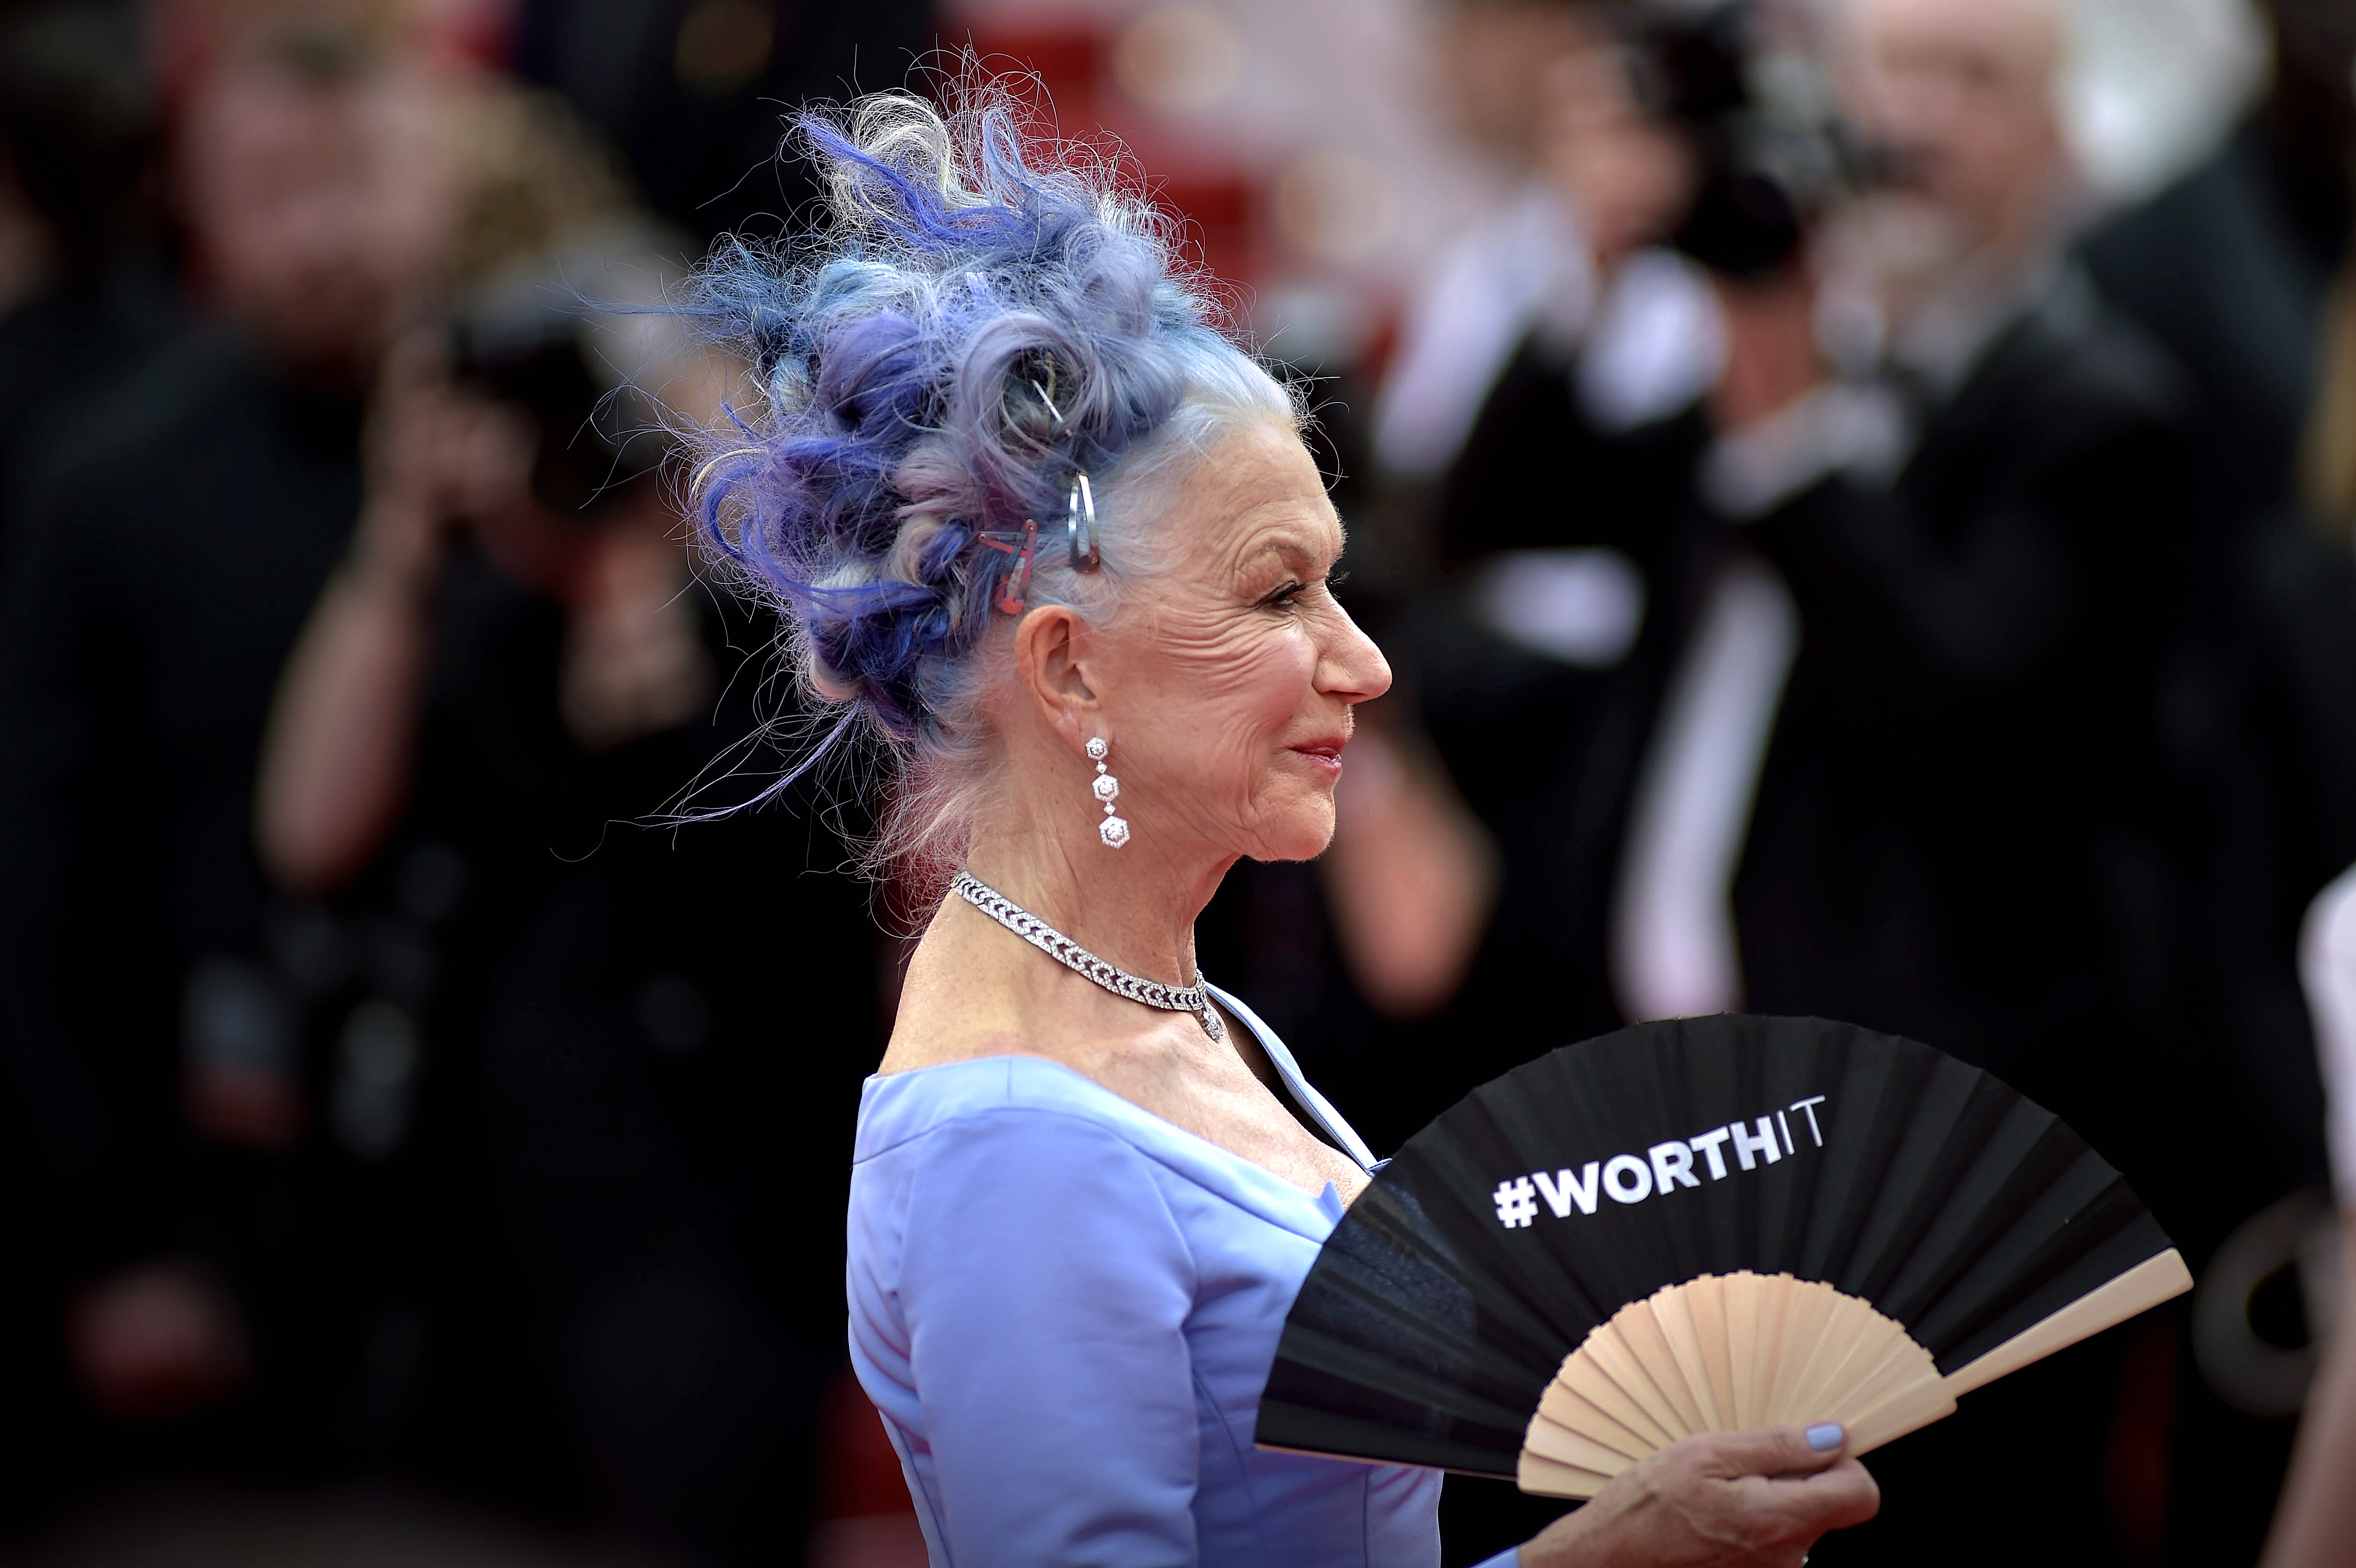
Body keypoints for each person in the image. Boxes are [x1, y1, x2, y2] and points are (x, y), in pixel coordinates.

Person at [684, 85, 1881, 1568]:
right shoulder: (1017, 1141)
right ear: (1069, 667)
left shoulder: (1183, 1017)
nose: (1365, 664)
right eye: (1275, 595)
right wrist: (1604, 1553)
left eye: (1339, 583)